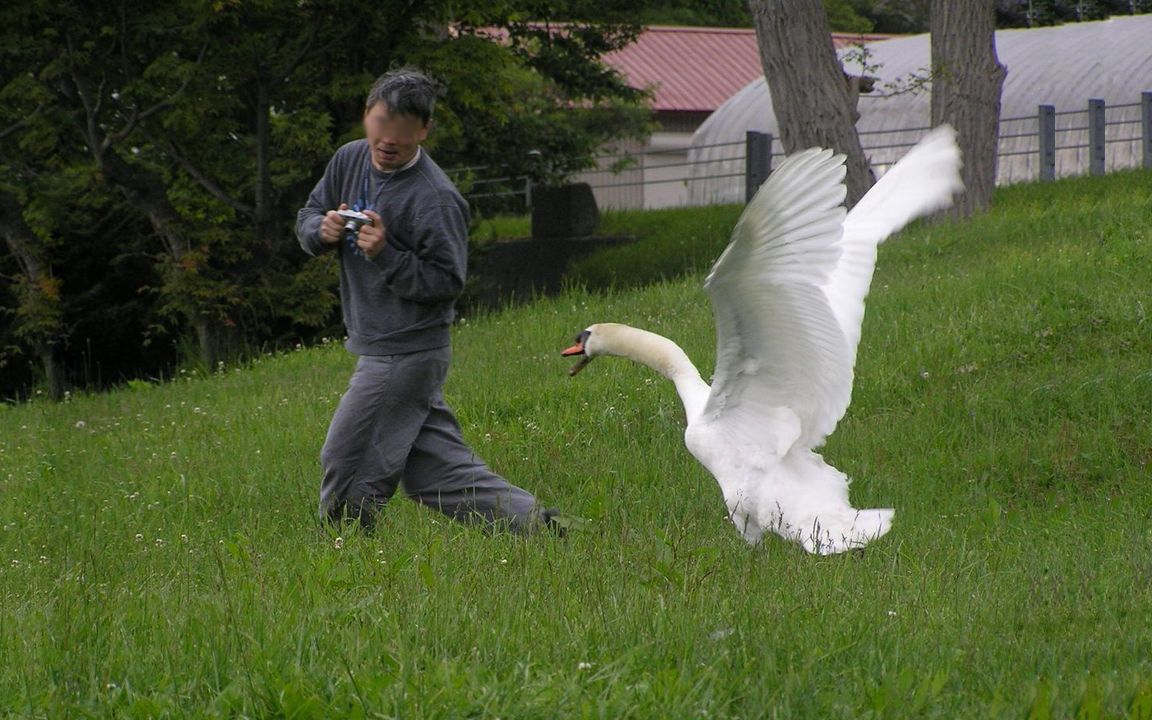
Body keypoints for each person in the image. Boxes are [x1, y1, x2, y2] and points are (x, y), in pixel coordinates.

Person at [295, 68, 554, 534]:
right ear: (367, 117)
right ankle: (543, 530)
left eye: (402, 133)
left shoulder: (435, 198)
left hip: (406, 350)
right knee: (437, 477)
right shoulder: (349, 159)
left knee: (345, 455)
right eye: (379, 125)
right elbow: (310, 214)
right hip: (381, 343)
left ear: (424, 130)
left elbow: (446, 282)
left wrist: (385, 254)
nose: (387, 141)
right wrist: (321, 229)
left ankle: (346, 550)